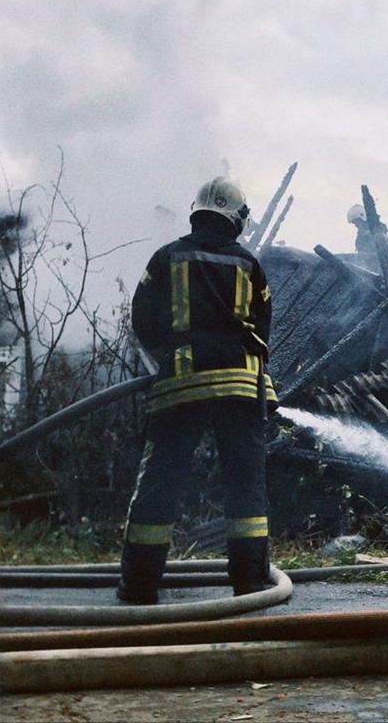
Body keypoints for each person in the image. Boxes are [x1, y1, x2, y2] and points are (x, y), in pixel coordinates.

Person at [118, 177, 277, 604]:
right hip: (242, 387)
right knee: (245, 486)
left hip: (181, 386)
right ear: (238, 217)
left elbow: (142, 320)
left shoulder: (165, 258)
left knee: (161, 483)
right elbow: (263, 332)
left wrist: (172, 355)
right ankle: (250, 584)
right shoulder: (251, 266)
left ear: (196, 210)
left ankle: (138, 585)